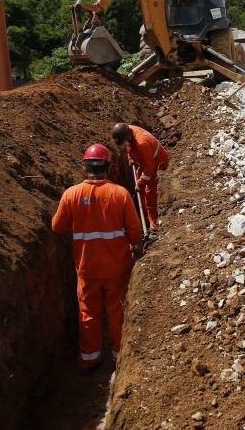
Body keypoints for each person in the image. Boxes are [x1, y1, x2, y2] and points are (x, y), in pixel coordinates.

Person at [52, 144, 144, 375]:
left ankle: (89, 360)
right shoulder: (120, 193)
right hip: (117, 268)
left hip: (87, 268)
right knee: (117, 311)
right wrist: (137, 248)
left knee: (89, 313)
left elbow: (58, 227)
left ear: (85, 168)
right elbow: (134, 231)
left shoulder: (71, 194)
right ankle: (119, 356)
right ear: (109, 167)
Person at [111, 122, 169, 232]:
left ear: (128, 136)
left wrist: (139, 183)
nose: (124, 145)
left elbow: (149, 170)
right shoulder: (128, 131)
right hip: (144, 161)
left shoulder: (142, 144)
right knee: (141, 185)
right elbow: (129, 146)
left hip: (157, 163)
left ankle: (154, 226)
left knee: (149, 192)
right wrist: (130, 157)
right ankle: (144, 214)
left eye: (124, 142)